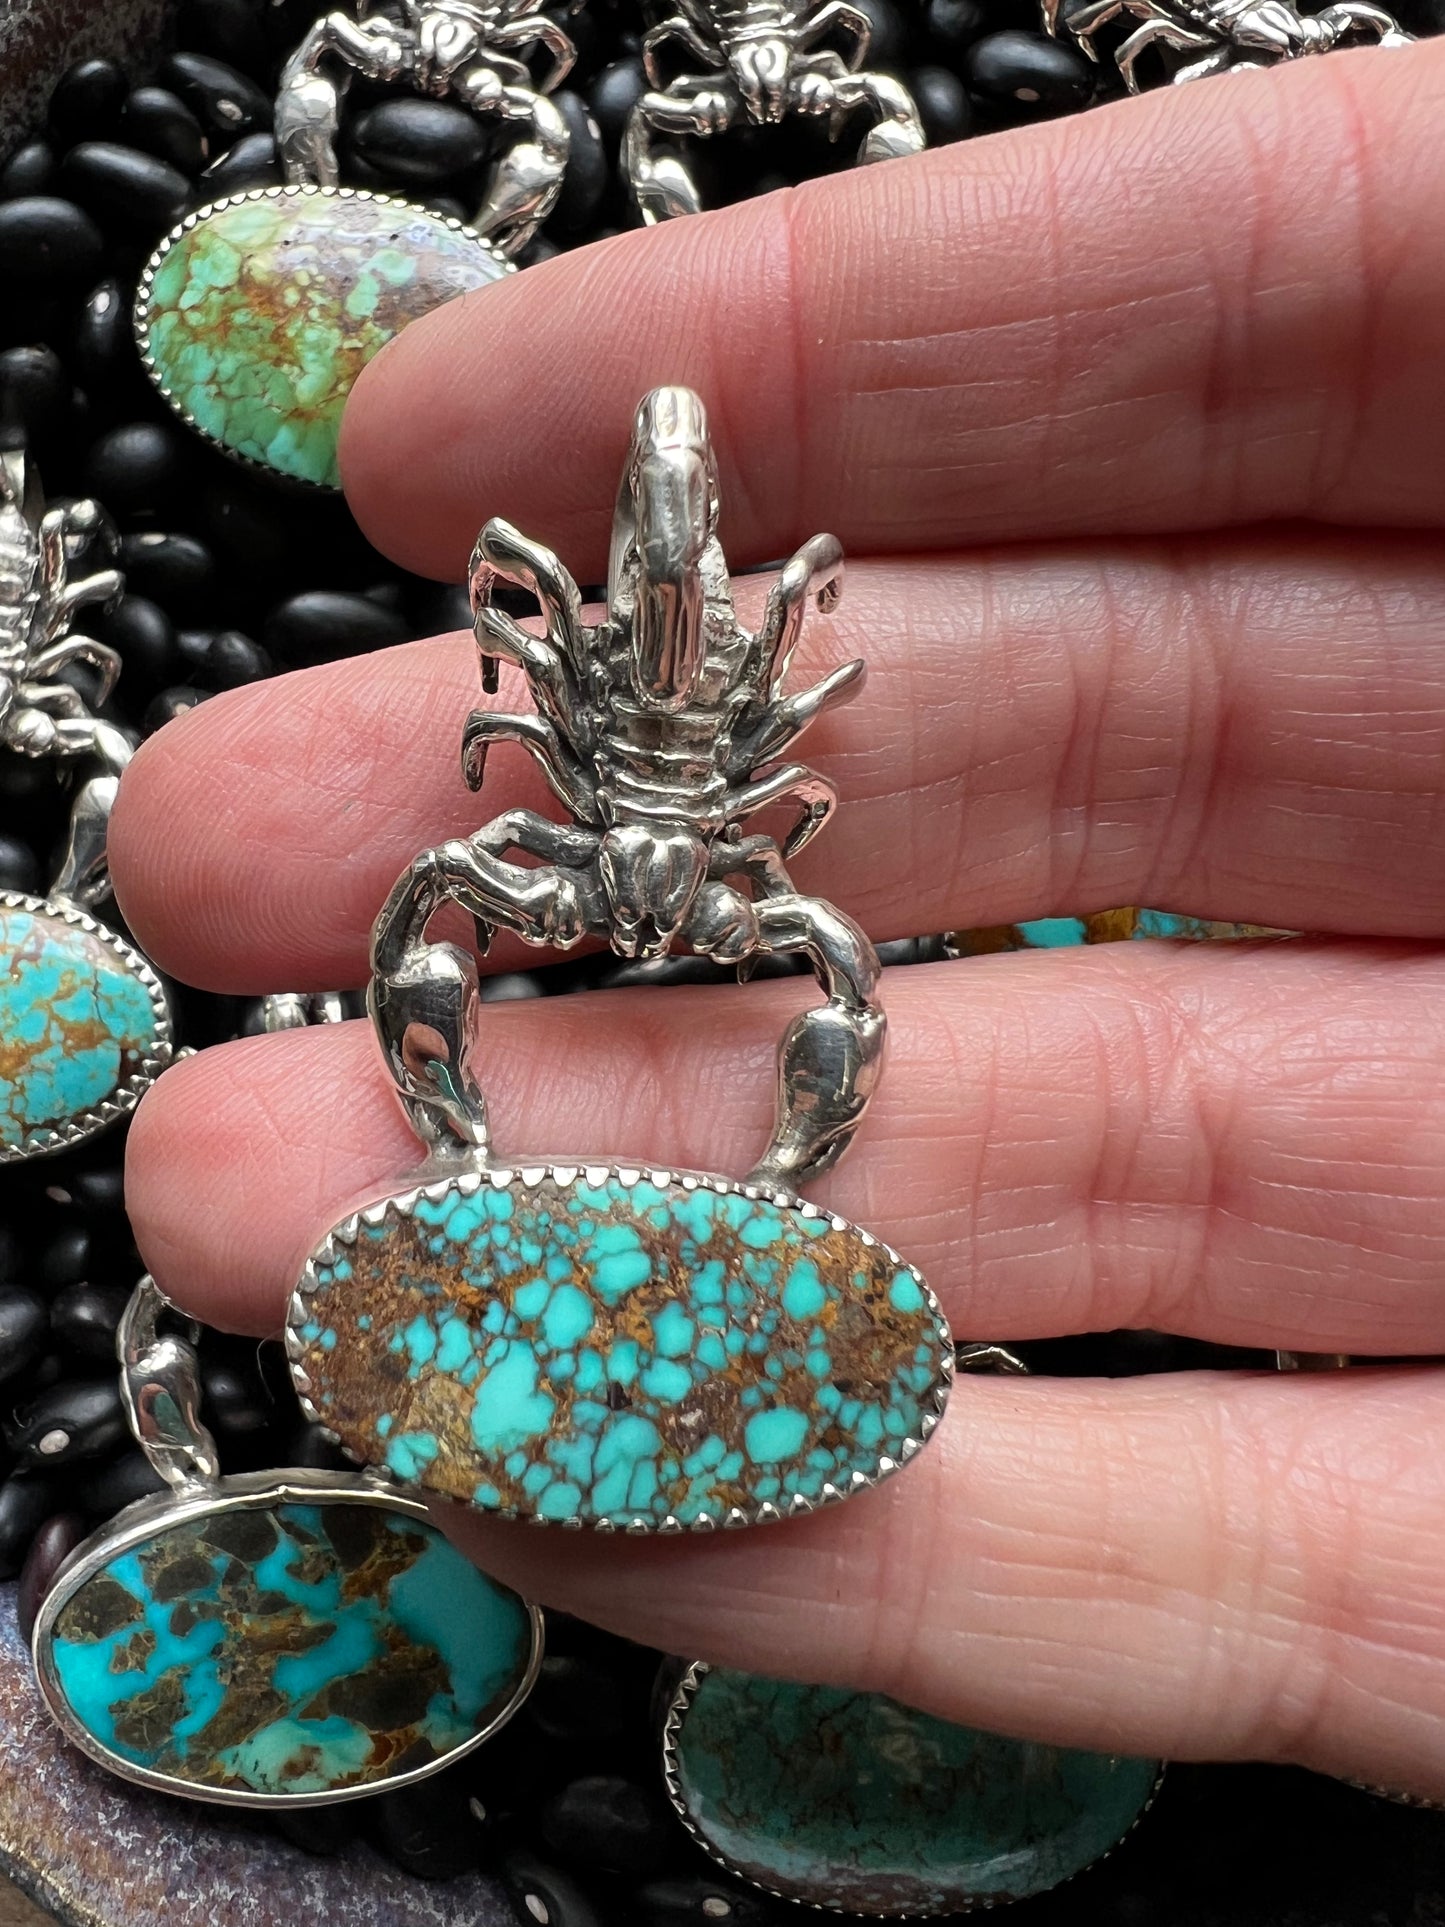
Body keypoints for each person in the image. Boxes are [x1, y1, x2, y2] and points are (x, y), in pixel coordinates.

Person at [110, 35, 1445, 1803]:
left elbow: (824, 901)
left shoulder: (765, 859)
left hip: (686, 794)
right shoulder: (557, 781)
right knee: (443, 886)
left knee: (828, 947)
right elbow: (481, 800)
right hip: (617, 794)